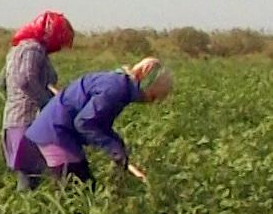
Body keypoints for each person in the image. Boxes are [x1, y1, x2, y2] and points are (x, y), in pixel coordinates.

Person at [26, 57, 173, 186]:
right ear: (145, 85)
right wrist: (113, 147)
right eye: (153, 96)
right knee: (80, 190)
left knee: (85, 186)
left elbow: (98, 123)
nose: (150, 102)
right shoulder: (116, 90)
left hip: (59, 132)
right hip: (55, 133)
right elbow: (84, 123)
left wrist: (118, 145)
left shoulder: (120, 85)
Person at [0, 11, 74, 190]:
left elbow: (2, 82)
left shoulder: (16, 50)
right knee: (31, 179)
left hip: (14, 121)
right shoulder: (34, 49)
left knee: (29, 177)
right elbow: (26, 79)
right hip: (29, 123)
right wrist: (48, 103)